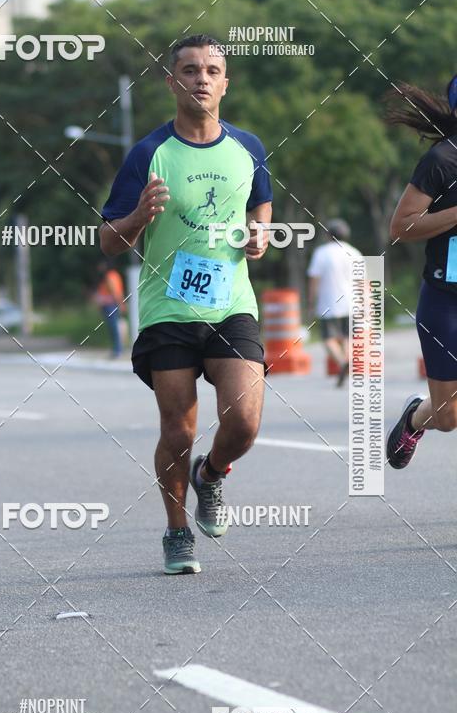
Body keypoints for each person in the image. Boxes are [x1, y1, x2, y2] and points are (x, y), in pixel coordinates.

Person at [99, 34, 272, 575]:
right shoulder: (148, 154)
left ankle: (212, 474)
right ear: (172, 81)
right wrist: (135, 220)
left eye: (212, 70)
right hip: (168, 309)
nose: (201, 78)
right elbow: (108, 240)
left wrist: (259, 233)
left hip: (231, 305)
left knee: (243, 421)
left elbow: (260, 202)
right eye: (190, 69)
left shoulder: (248, 147)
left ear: (226, 82)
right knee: (177, 429)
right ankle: (177, 533)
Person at [385, 75, 457, 469]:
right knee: (447, 417)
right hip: (445, 301)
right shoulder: (442, 161)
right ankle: (415, 418)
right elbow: (401, 227)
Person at [307, 219, 363, 387]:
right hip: (351, 302)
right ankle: (346, 363)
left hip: (329, 302)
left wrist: (311, 302)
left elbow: (314, 279)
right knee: (346, 337)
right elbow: (362, 281)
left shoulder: (322, 253)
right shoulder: (355, 253)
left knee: (328, 339)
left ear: (328, 235)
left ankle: (342, 363)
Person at [92, 260, 126, 358]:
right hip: (111, 304)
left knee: (114, 327)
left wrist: (120, 304)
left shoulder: (110, 276)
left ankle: (117, 350)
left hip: (111, 305)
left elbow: (115, 291)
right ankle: (117, 349)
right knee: (114, 327)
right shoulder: (114, 275)